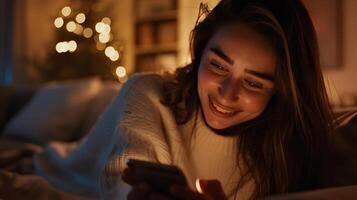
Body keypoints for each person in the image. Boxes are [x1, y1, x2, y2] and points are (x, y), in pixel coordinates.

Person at [33, 0, 334, 199]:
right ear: (200, 52)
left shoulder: (286, 146)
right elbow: (123, 171)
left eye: (254, 82)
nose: (226, 94)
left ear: (280, 90)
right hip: (53, 168)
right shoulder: (148, 93)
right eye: (217, 65)